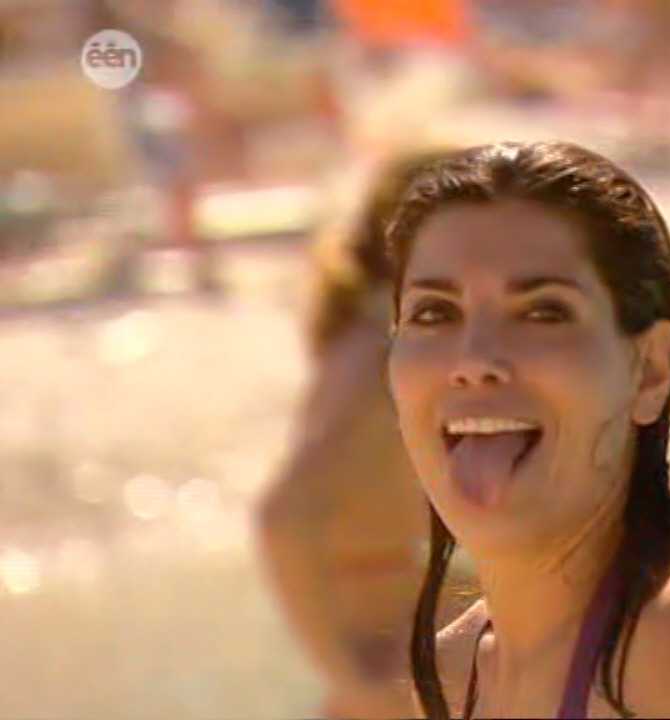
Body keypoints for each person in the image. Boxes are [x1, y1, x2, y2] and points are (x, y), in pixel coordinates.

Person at [383, 142, 670, 719]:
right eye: (434, 313)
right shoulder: (453, 675)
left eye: (543, 312)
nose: (475, 359)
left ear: (650, 371)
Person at [258, 151, 453, 719]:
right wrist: (350, 681)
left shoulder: (378, 345)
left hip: (405, 656)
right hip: (389, 675)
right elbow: (283, 517)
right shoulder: (377, 356)